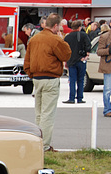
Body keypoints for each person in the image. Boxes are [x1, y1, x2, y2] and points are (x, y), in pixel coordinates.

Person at [23, 13, 72, 152]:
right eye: (60, 26)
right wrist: (61, 39)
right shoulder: (55, 40)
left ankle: (37, 142)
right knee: (47, 114)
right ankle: (44, 146)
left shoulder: (34, 39)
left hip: (37, 78)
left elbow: (27, 59)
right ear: (55, 26)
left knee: (39, 113)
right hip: (50, 78)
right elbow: (66, 54)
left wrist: (31, 73)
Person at [63, 20, 91, 104]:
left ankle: (71, 98)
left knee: (72, 80)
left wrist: (66, 61)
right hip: (81, 60)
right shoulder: (83, 35)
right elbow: (88, 46)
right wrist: (86, 56)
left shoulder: (68, 37)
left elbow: (65, 49)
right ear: (80, 27)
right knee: (81, 80)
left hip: (71, 60)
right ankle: (79, 98)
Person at [96, 24, 111, 117]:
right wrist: (108, 51)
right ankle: (107, 110)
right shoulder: (105, 36)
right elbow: (99, 51)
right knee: (107, 90)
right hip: (108, 66)